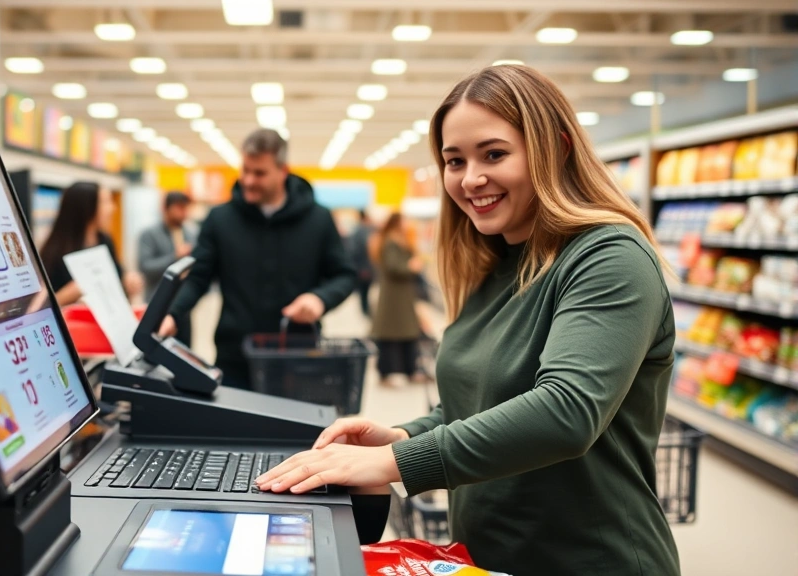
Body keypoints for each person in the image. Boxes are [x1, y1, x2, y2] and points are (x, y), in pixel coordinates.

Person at [255, 65, 680, 575]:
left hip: (591, 559)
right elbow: (481, 400)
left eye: (494, 154)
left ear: (558, 149)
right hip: (490, 555)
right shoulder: (495, 263)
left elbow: (567, 411)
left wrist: (395, 465)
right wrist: (402, 437)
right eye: (453, 161)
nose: (470, 177)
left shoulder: (609, 257)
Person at [158, 128, 356, 389]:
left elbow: (344, 275)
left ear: (283, 171)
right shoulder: (220, 219)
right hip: (235, 358)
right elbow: (197, 278)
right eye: (245, 170)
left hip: (296, 356)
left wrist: (320, 299)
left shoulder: (318, 219)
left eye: (259, 173)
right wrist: (171, 314)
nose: (249, 180)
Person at [38, 181, 142, 306]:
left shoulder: (105, 241)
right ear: (87, 207)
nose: (112, 208)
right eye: (105, 202)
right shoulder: (55, 251)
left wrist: (127, 279)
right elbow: (42, 307)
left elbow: (118, 274)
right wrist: (70, 293)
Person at [139, 191, 198, 345]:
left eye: (185, 208)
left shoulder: (190, 234)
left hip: (181, 307)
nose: (183, 213)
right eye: (179, 208)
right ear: (166, 208)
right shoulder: (149, 234)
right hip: (157, 306)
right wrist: (175, 257)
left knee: (184, 352)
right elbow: (146, 267)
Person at [370, 213, 422, 386]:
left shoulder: (396, 240)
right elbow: (394, 266)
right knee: (392, 332)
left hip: (399, 294)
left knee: (404, 332)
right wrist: (411, 266)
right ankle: (389, 371)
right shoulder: (391, 242)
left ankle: (408, 370)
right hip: (395, 296)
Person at [346, 210, 375, 316]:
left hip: (363, 267)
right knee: (364, 291)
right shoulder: (365, 232)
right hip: (365, 267)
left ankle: (365, 309)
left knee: (364, 291)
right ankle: (365, 310)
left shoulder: (358, 232)